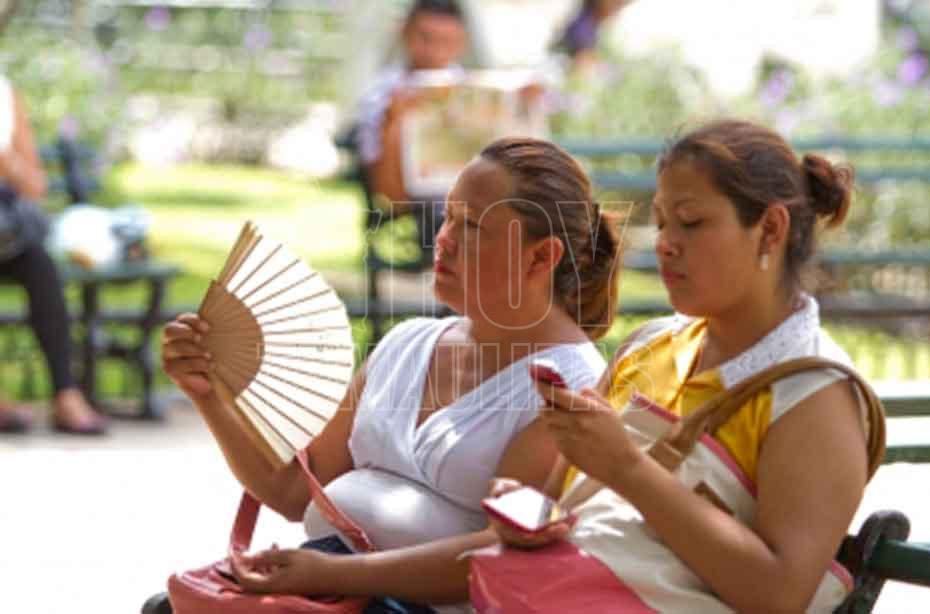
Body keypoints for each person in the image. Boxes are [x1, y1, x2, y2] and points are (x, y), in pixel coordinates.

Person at [156, 137, 623, 613]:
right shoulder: (407, 344)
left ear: (541, 257)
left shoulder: (572, 389)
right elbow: (294, 492)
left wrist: (331, 573)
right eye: (447, 216)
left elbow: (500, 555)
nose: (443, 239)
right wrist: (208, 396)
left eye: (470, 225)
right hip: (328, 586)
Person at [482, 119, 885, 612]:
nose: (665, 243)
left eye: (690, 222)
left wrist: (627, 468)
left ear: (770, 230)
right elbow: (567, 513)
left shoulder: (814, 394)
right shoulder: (648, 348)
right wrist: (529, 519)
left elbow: (779, 594)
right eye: (661, 222)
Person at [0, 74, 108, 435]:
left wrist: (7, 161)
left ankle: (66, 395)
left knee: (41, 266)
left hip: (6, 236)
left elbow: (35, 186)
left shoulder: (4, 93)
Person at [356, 0, 468, 253]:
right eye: (425, 38)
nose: (434, 52)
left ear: (461, 42)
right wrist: (394, 123)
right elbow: (388, 196)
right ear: (404, 34)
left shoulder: (477, 91)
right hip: (420, 214)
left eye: (446, 42)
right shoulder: (381, 97)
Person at [558, 0, 628, 75]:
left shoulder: (593, 28)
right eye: (617, 3)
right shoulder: (579, 16)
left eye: (620, 6)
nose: (616, 11)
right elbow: (582, 58)